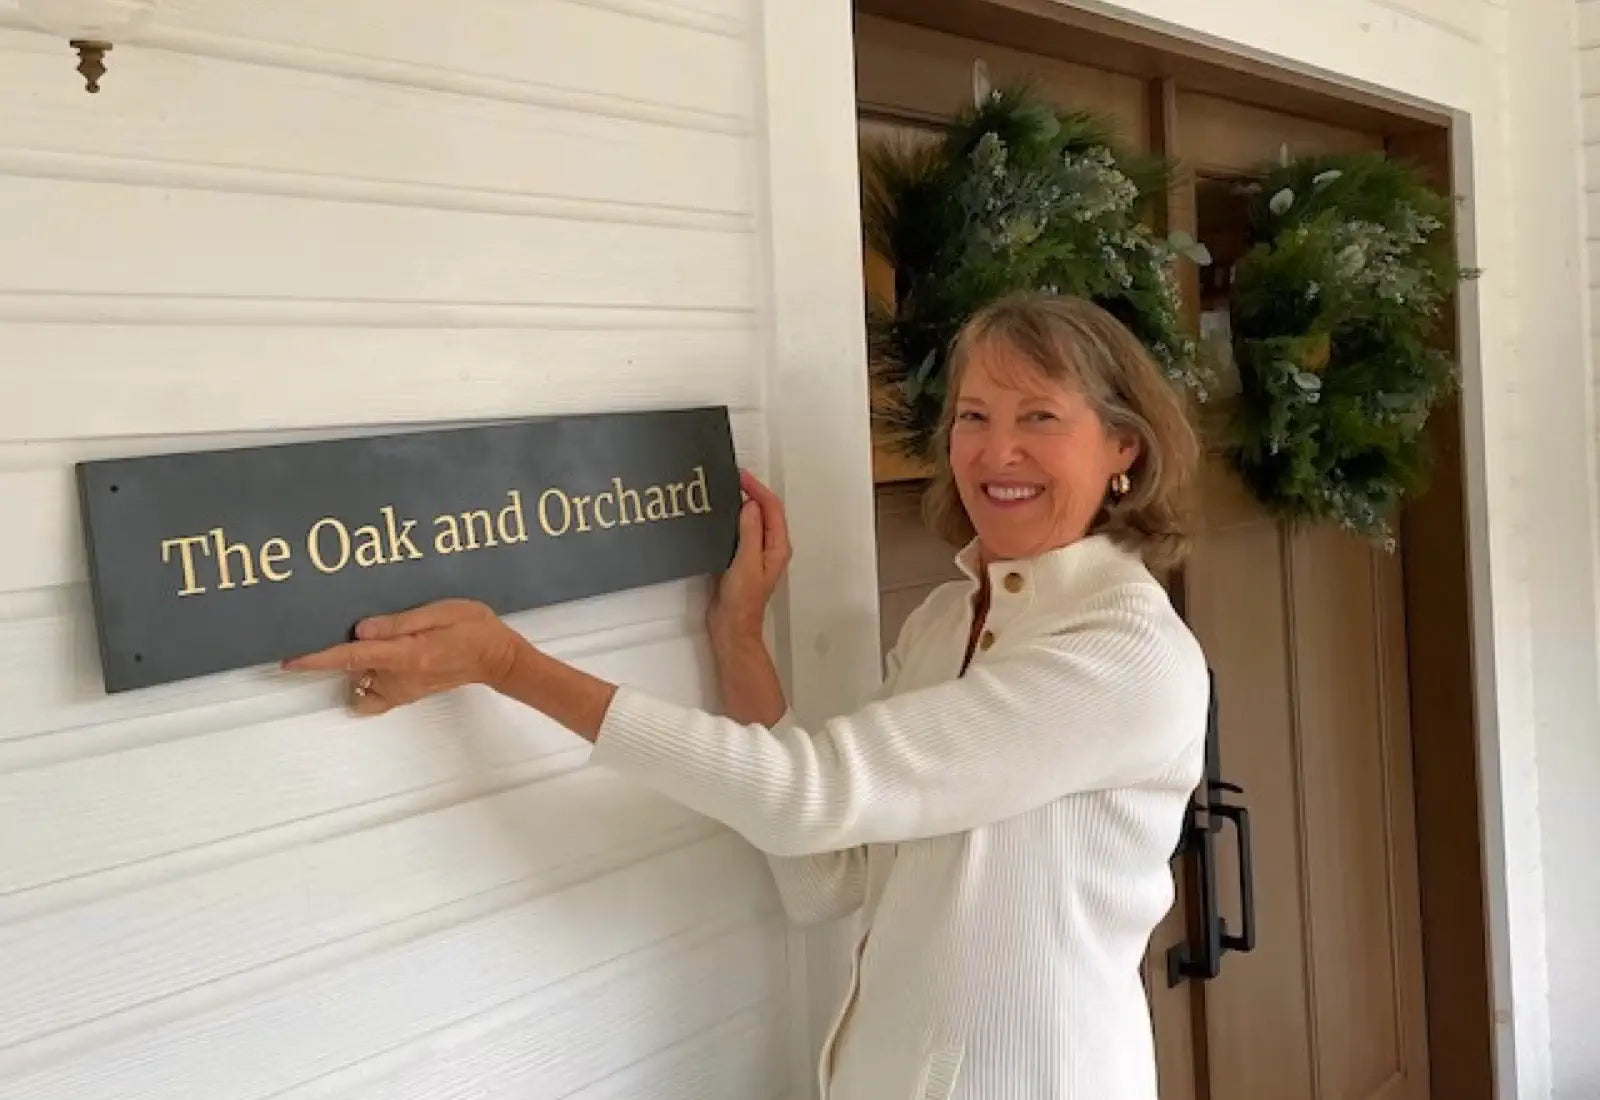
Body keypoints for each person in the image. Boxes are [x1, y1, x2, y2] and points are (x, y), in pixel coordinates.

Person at [283, 290, 1210, 1100]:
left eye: (1039, 417)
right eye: (972, 415)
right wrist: (736, 636)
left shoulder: (1126, 651)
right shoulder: (944, 620)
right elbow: (827, 872)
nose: (995, 450)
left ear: (1123, 444)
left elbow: (811, 793)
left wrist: (508, 667)